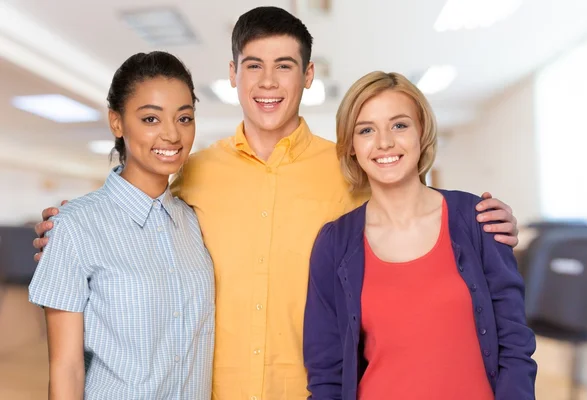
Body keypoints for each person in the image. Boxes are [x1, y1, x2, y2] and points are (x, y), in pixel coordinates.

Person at [33, 7, 521, 399]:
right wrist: (71, 227)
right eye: (253, 66)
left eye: (284, 66)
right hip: (210, 391)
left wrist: (488, 225)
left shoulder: (350, 170)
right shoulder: (192, 171)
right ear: (233, 74)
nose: (268, 82)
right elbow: (136, 194)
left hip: (310, 388)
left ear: (308, 76)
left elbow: (411, 210)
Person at [303, 71, 537, 400]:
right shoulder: (334, 243)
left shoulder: (477, 219)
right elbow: (327, 370)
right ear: (351, 146)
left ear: (422, 132)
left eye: (399, 125)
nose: (384, 142)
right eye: (366, 130)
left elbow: (514, 343)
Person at [28, 51, 215, 399]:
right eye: (150, 119)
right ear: (116, 122)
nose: (172, 134)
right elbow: (66, 368)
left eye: (185, 118)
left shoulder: (193, 222)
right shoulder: (74, 226)